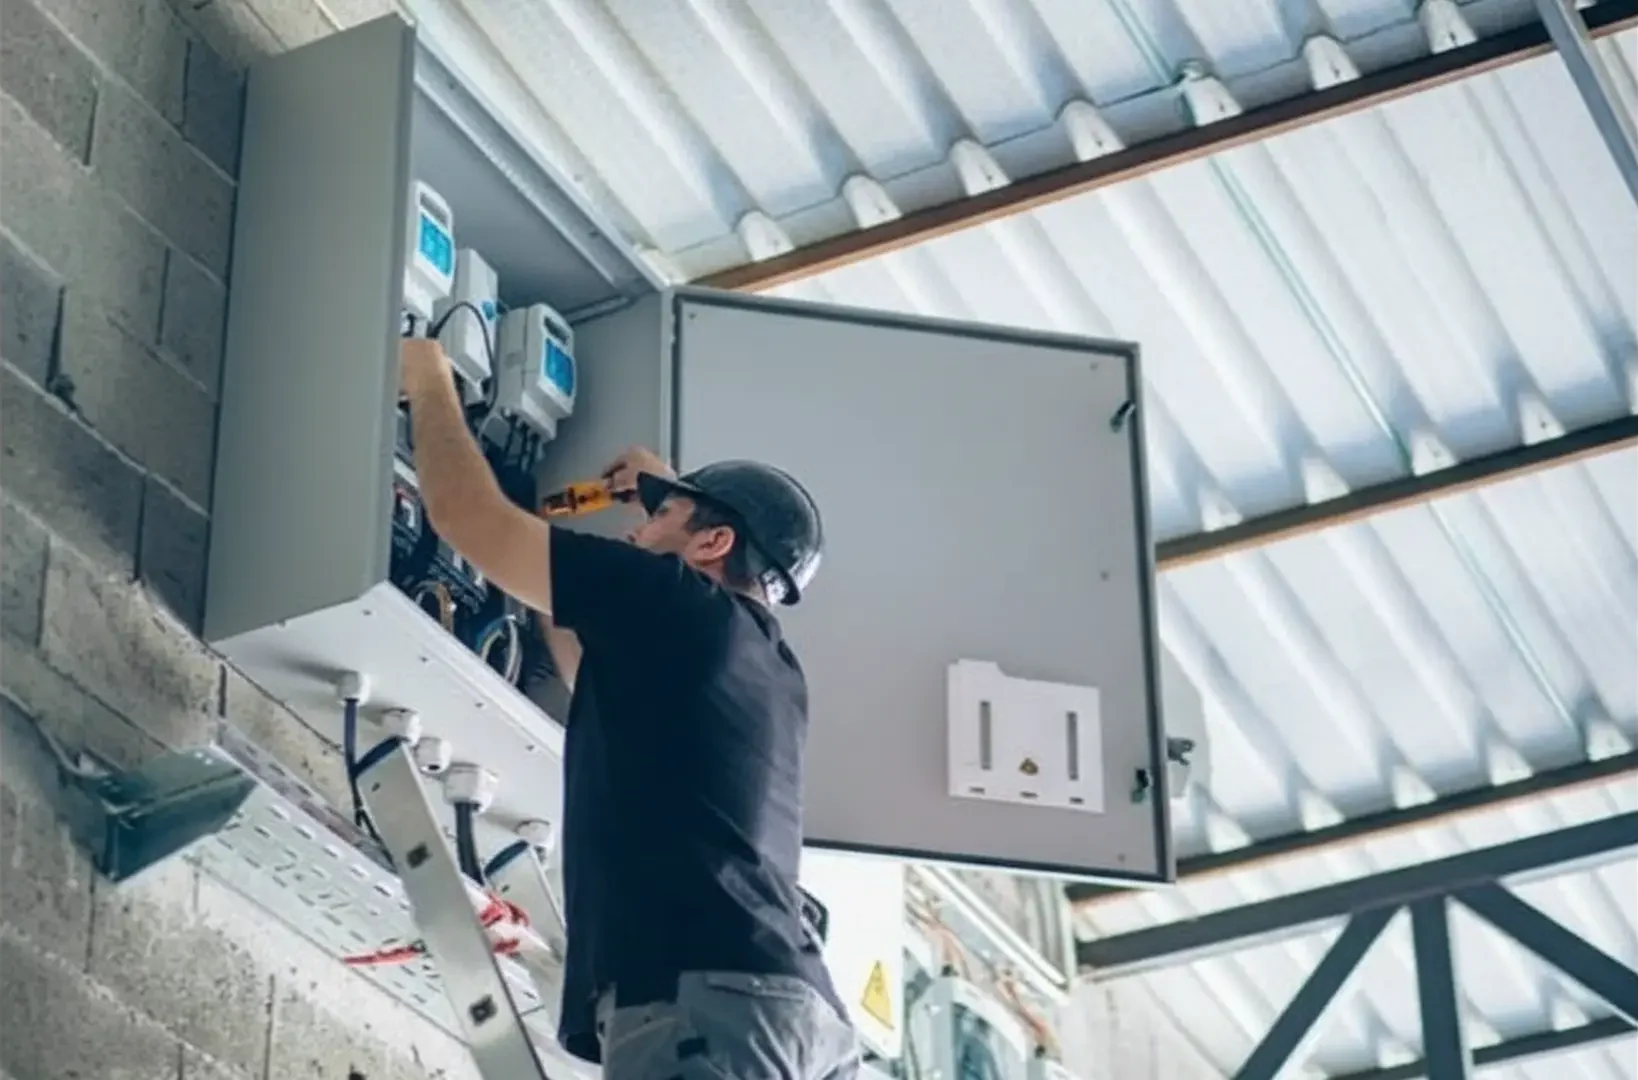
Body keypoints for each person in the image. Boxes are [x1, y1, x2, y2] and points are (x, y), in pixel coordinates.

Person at [398, 338, 861, 1079]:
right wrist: (667, 491)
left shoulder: (676, 606)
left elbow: (463, 518)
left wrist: (425, 376)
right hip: (785, 1014)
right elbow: (587, 658)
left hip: (712, 1000)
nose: (634, 532)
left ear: (712, 540)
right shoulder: (764, 666)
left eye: (657, 519)